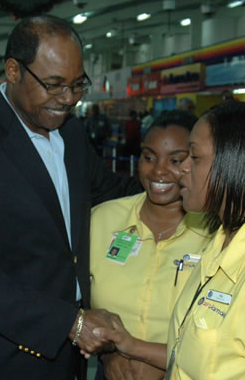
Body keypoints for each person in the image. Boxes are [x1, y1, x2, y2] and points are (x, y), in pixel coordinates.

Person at [0, 15, 142, 380]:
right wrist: (70, 323)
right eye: (54, 84)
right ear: (13, 71)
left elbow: (107, 192)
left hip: (68, 358)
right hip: (1, 355)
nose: (68, 99)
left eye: (77, 85)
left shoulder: (69, 134)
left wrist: (171, 182)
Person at [93, 102, 245, 380]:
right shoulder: (223, 243)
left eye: (194, 157)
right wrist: (128, 346)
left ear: (239, 164)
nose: (182, 170)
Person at [90, 110, 210, 380]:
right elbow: (75, 301)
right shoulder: (102, 220)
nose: (158, 170)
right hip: (112, 372)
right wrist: (110, 354)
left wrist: (153, 360)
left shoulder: (216, 234)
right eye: (149, 157)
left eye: (176, 160)